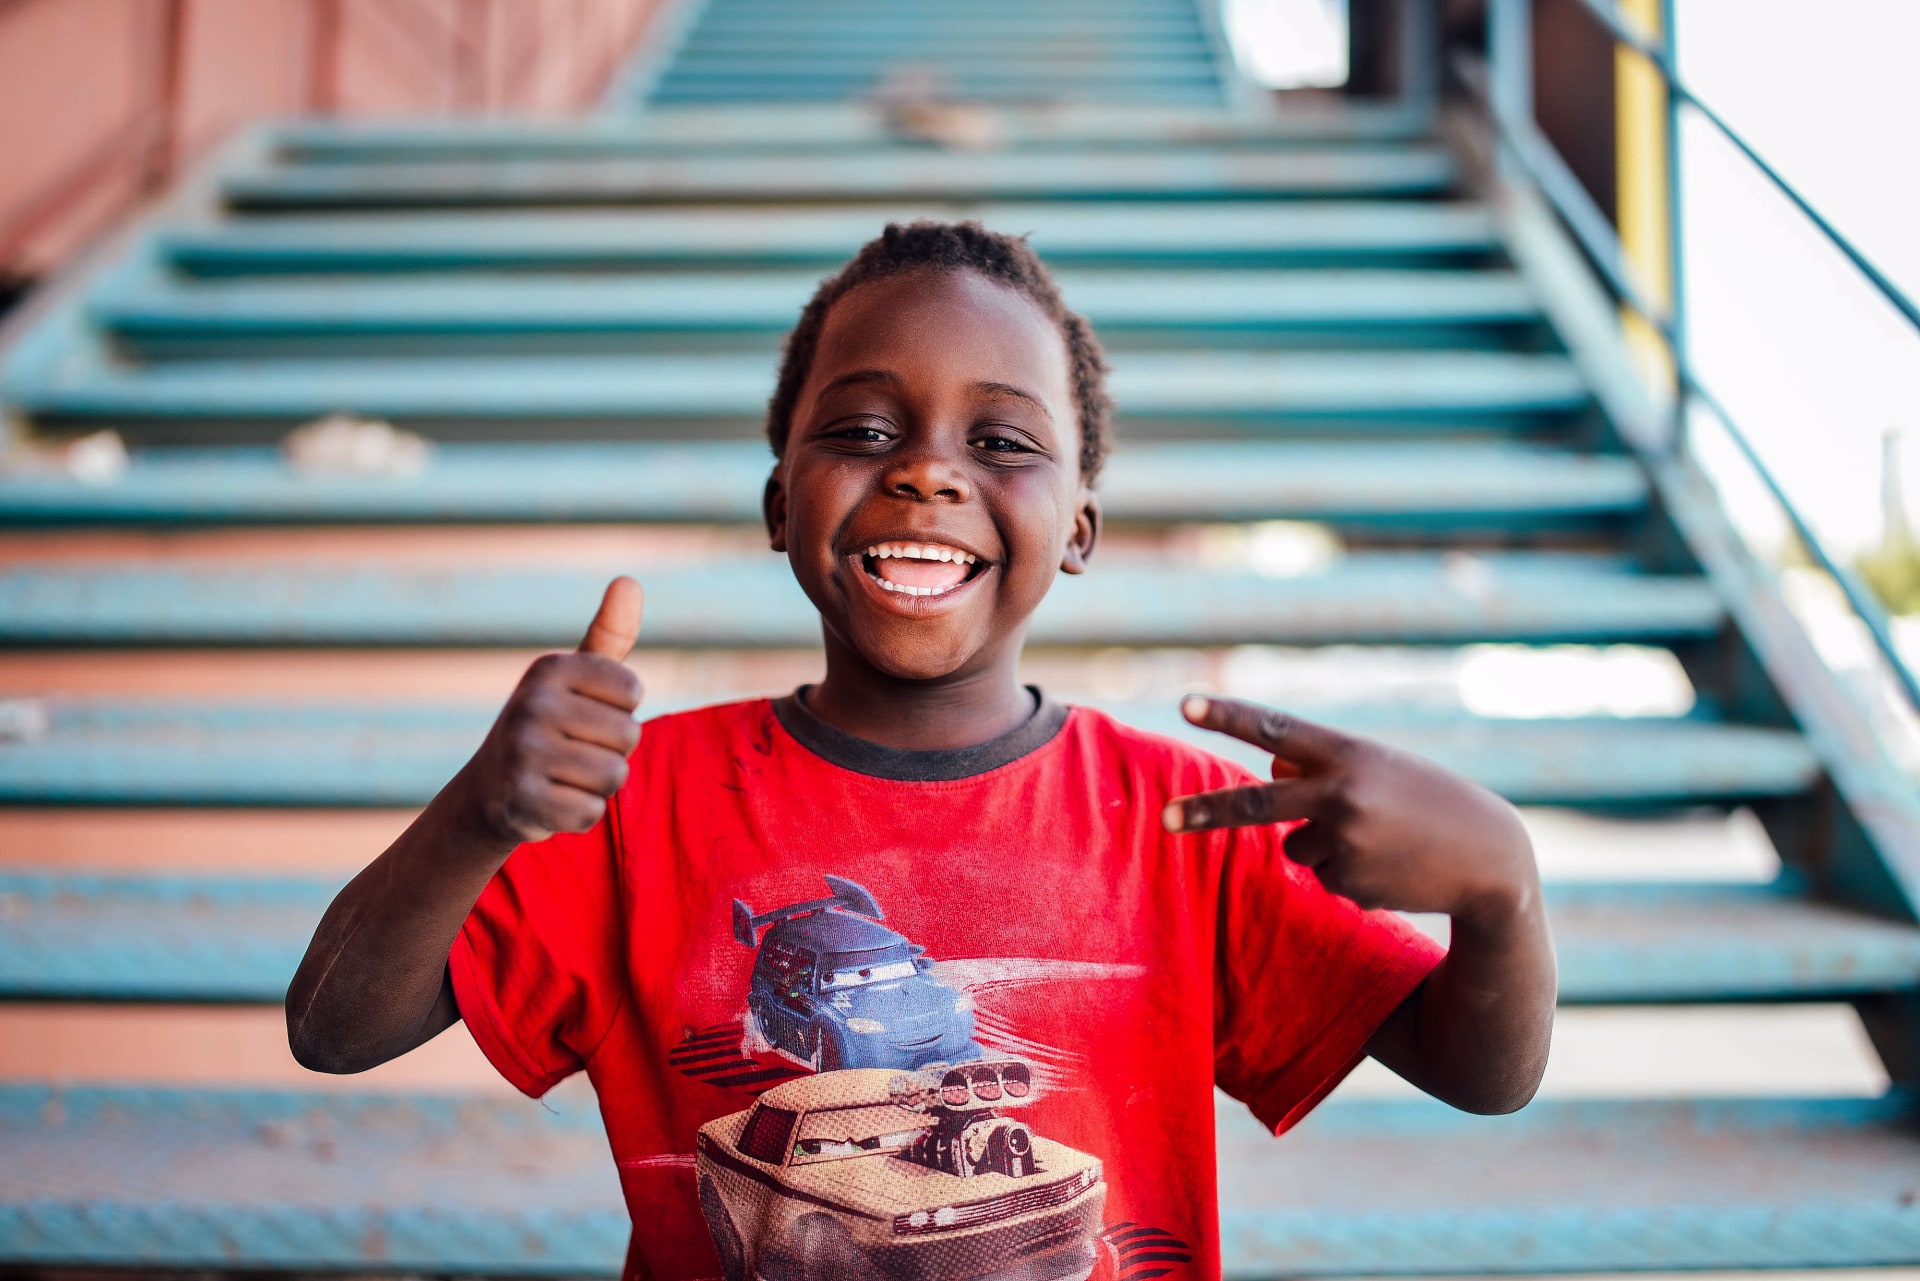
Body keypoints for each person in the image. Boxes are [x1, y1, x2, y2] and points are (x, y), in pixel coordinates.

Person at [287, 221, 1555, 1281]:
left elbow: (1479, 1072)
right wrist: (482, 812)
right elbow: (333, 1030)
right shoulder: (635, 801)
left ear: (1079, 526)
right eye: (864, 430)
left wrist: (1501, 887)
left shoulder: (1182, 816)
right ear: (784, 501)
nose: (928, 476)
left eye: (1001, 443)